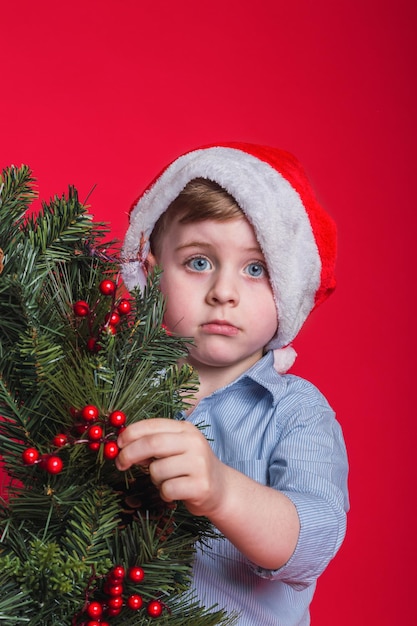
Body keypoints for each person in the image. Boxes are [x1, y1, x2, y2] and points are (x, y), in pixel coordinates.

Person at [118, 143, 349, 625]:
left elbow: (313, 542)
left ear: (288, 288)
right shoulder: (114, 386)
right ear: (151, 268)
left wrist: (222, 493)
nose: (223, 291)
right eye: (198, 262)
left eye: (255, 269)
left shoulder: (297, 411)